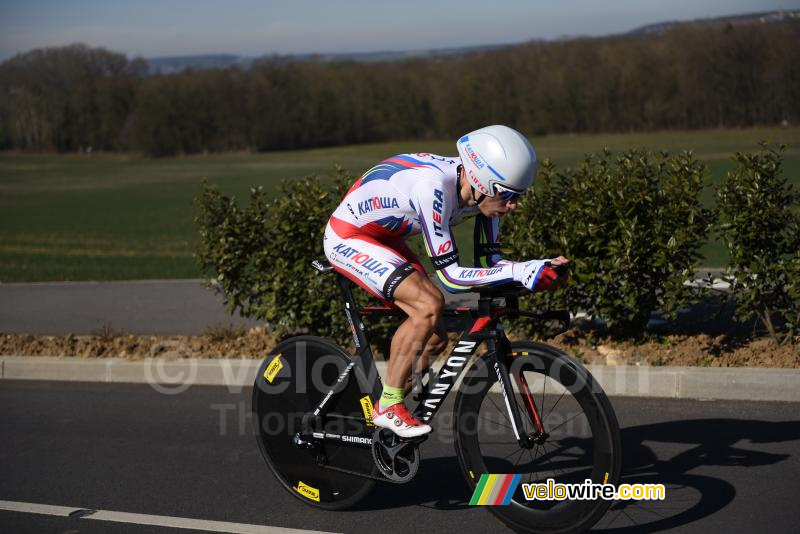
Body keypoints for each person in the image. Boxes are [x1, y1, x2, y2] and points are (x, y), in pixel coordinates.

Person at [323, 125, 569, 438]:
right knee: (428, 305)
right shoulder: (434, 188)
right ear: (483, 183)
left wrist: (537, 269)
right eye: (508, 196)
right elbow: (450, 276)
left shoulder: (481, 198)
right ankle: (388, 406)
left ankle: (380, 419)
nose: (513, 206)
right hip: (349, 235)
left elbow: (491, 262)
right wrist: (524, 272)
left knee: (436, 338)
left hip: (384, 236)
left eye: (518, 197)